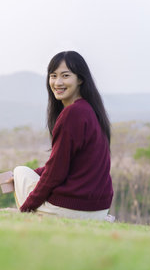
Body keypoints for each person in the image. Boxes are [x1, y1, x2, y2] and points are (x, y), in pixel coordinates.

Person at [10, 51, 113, 221]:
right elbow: (64, 163)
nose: (58, 82)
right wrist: (36, 173)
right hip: (99, 208)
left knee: (20, 171)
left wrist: (26, 208)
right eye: (53, 76)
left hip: (73, 208)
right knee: (27, 174)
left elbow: (56, 172)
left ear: (80, 79)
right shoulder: (90, 110)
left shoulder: (72, 113)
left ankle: (35, 217)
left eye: (65, 76)